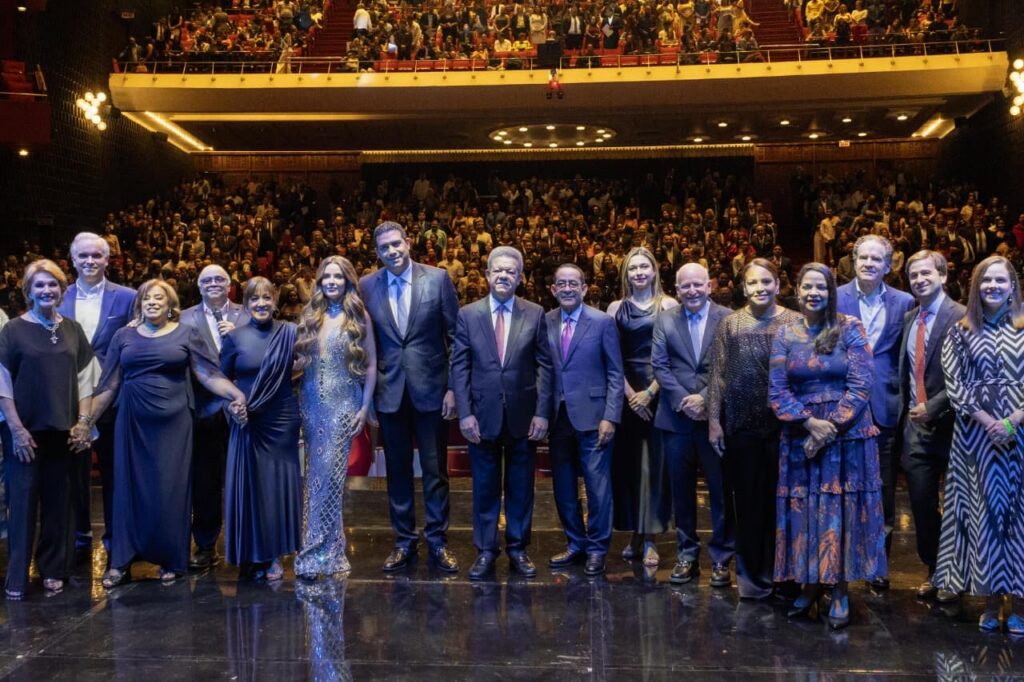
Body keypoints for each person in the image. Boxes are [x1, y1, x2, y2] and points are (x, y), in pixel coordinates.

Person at [89, 280, 247, 588]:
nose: (152, 301)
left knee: (171, 490)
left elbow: (207, 374)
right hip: (132, 423)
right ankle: (120, 561)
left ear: (171, 304)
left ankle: (171, 559)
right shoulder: (123, 336)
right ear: (139, 305)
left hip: (175, 424)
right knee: (128, 488)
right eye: (146, 298)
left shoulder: (186, 333)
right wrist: (85, 421)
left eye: (159, 297)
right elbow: (109, 384)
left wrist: (235, 394)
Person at [769, 263, 887, 630]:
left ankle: (838, 590)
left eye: (820, 287)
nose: (813, 293)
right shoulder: (785, 332)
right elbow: (777, 389)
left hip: (847, 435)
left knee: (841, 510)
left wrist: (829, 428)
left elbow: (862, 383)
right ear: (797, 290)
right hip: (800, 433)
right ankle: (809, 582)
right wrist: (809, 423)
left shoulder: (850, 327)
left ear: (831, 291)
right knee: (806, 510)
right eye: (807, 286)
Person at [360, 221, 460, 573]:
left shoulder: (438, 279)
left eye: (396, 244)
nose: (391, 251)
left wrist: (453, 388)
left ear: (408, 242)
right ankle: (404, 541)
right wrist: (366, 397)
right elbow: (363, 344)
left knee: (435, 471)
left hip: (432, 390)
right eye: (384, 247)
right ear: (377, 252)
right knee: (397, 472)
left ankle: (437, 541)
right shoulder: (366, 285)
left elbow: (456, 338)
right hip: (389, 392)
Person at [451, 246, 553, 580]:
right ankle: (485, 550)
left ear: (520, 277)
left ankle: (518, 549)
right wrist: (465, 413)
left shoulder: (535, 313)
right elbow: (460, 366)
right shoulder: (468, 314)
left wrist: (542, 412)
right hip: (481, 416)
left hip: (525, 416)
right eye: (498, 270)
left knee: (521, 487)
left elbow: (544, 366)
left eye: (511, 271)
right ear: (487, 274)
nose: (504, 276)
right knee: (484, 487)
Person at [935, 255, 1024, 633]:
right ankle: (990, 599)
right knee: (985, 516)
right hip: (976, 437)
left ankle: (1019, 603)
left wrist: (1012, 421)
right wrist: (990, 423)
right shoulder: (961, 330)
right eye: (986, 280)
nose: (993, 286)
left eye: (1000, 280)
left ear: (1013, 286)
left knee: (1019, 518)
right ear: (975, 286)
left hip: (1020, 434)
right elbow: (954, 385)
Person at [0, 260, 97, 599]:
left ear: (62, 289)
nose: (46, 290)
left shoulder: (72, 329)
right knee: (22, 503)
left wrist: (83, 423)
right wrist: (16, 429)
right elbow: (2, 383)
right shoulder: (12, 330)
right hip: (24, 434)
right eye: (39, 285)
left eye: (53, 284)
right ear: (28, 291)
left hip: (64, 432)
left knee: (60, 504)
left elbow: (86, 380)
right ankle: (17, 576)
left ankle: (54, 569)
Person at [707, 258, 800, 599]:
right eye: (753, 283)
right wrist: (714, 422)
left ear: (778, 284)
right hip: (741, 427)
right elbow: (717, 375)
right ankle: (751, 580)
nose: (760, 287)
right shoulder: (730, 324)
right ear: (744, 288)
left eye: (766, 281)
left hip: (785, 427)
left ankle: (785, 577)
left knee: (783, 504)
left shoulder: (796, 322)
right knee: (747, 505)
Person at [835, 234, 914, 589]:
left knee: (882, 491)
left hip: (884, 404)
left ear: (888, 265)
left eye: (876, 259)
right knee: (840, 487)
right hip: (840, 405)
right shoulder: (835, 296)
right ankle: (838, 565)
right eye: (862, 257)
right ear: (853, 261)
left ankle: (877, 566)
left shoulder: (905, 301)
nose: (868, 263)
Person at [651, 263, 733, 587]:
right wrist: (686, 400)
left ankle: (722, 558)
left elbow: (731, 365)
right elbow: (659, 365)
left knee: (720, 491)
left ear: (709, 285)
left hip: (716, 419)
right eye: (685, 286)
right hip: (676, 419)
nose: (692, 290)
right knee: (681, 492)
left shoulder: (728, 318)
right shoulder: (665, 319)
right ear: (677, 289)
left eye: (698, 284)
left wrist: (705, 398)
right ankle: (687, 554)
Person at [294, 257, 376, 579]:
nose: (331, 281)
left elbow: (371, 365)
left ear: (348, 281)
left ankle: (315, 551)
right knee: (315, 478)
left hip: (344, 405)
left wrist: (364, 407)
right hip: (311, 403)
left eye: (337, 276)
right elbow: (298, 361)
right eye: (326, 276)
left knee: (330, 478)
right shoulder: (310, 315)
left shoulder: (358, 316)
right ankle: (329, 550)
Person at [57, 232, 136, 556]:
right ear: (73, 260)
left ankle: (116, 541)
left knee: (115, 473)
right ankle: (79, 537)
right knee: (72, 474)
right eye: (83, 255)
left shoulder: (128, 297)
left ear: (107, 260)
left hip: (113, 400)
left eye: (96, 255)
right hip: (67, 400)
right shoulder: (56, 296)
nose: (90, 261)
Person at [220, 277, 302, 581]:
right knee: (251, 487)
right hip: (247, 420)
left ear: (275, 301)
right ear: (246, 304)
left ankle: (274, 554)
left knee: (276, 487)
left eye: (267, 297)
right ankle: (251, 552)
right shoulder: (234, 338)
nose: (261, 303)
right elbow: (221, 380)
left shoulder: (290, 332)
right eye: (254, 299)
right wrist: (233, 406)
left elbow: (307, 363)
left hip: (281, 419)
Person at [545, 263, 624, 576]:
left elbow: (615, 373)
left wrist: (611, 416)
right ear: (553, 289)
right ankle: (575, 543)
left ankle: (597, 548)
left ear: (584, 288)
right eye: (561, 283)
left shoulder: (602, 322)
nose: (567, 288)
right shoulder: (545, 320)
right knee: (563, 487)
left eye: (573, 283)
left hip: (594, 417)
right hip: (557, 417)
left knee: (597, 488)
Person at [897, 250, 965, 601]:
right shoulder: (910, 318)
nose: (920, 279)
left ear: (943, 275)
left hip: (957, 428)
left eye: (926, 273)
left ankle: (957, 575)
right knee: (922, 505)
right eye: (914, 275)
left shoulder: (963, 316)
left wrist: (934, 406)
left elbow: (968, 376)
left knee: (958, 507)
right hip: (917, 430)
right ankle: (934, 569)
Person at [605, 247, 676, 567]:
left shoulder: (669, 305)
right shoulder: (615, 308)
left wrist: (650, 392)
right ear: (626, 274)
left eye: (644, 266)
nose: (638, 272)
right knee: (630, 467)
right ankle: (635, 532)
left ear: (654, 270)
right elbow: (610, 356)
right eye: (632, 268)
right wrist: (630, 394)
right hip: (626, 395)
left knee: (654, 467)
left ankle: (650, 538)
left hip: (659, 393)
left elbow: (674, 354)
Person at [180, 264, 249, 571]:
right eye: (206, 280)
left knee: (244, 479)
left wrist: (239, 337)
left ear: (229, 283)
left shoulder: (247, 314)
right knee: (205, 482)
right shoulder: (183, 318)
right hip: (203, 409)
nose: (213, 283)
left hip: (243, 408)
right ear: (199, 286)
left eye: (219, 279)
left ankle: (247, 544)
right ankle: (206, 545)